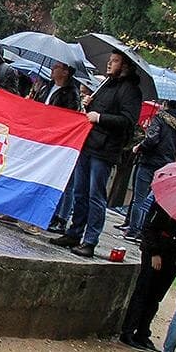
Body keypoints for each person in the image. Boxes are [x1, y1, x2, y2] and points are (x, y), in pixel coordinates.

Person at [50, 50, 143, 258]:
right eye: (109, 60)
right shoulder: (106, 84)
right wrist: (90, 104)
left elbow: (128, 120)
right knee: (80, 192)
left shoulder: (130, 91)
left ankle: (90, 239)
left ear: (125, 65)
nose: (109, 64)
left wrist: (99, 116)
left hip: (105, 149)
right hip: (88, 143)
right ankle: (74, 232)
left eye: (114, 61)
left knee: (95, 195)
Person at [119, 203, 176, 352]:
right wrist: (154, 252)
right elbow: (149, 228)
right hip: (157, 251)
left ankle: (143, 332)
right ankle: (128, 331)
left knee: (155, 297)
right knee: (143, 291)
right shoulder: (167, 203)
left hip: (174, 256)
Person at [121, 102, 176, 240]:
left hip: (149, 161)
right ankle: (144, 230)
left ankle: (134, 229)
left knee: (139, 198)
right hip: (165, 165)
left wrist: (139, 147)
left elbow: (152, 140)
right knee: (152, 200)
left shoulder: (159, 119)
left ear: (165, 104)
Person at [35, 62, 82, 232]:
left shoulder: (71, 93)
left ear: (66, 71)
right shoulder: (46, 86)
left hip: (54, 138)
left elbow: (69, 116)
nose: (53, 69)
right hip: (38, 133)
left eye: (57, 67)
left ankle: (50, 217)